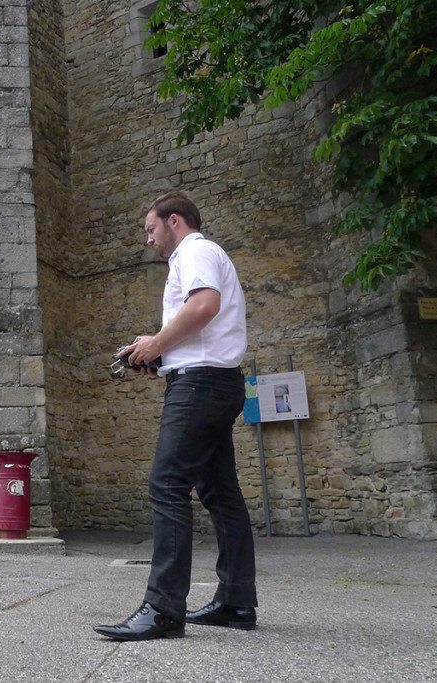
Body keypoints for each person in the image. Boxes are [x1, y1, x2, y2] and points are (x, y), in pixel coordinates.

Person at [94, 190, 257, 641]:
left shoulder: (196, 250)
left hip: (201, 386)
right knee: (221, 494)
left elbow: (204, 306)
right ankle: (237, 600)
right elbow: (200, 322)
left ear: (175, 221)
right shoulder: (197, 255)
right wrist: (158, 354)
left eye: (150, 228)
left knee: (166, 484)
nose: (148, 240)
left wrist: (158, 345)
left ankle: (164, 608)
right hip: (214, 380)